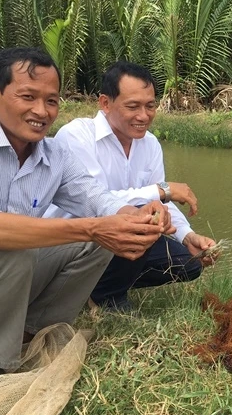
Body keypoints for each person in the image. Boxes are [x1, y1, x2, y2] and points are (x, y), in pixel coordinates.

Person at [0, 47, 173, 386]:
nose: (41, 111)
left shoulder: (54, 153)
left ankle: (32, 334)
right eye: (28, 96)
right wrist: (91, 227)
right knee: (15, 243)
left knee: (99, 240)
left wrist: (136, 215)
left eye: (52, 101)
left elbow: (98, 201)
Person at [46, 61, 216, 311]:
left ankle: (92, 285)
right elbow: (95, 202)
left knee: (188, 263)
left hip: (121, 236)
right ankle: (105, 296)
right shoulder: (76, 137)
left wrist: (188, 235)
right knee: (140, 227)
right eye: (132, 106)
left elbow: (161, 203)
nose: (143, 116)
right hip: (74, 239)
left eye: (150, 106)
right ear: (105, 103)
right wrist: (159, 190)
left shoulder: (150, 144)